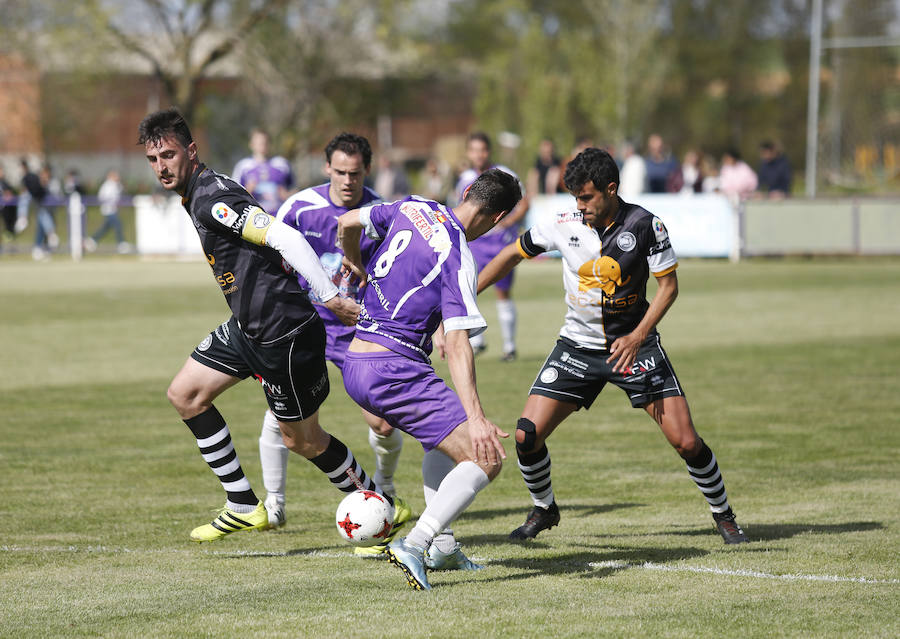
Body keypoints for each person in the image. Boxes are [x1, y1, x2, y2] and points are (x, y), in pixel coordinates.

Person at [138, 107, 398, 543]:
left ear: (191, 151)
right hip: (247, 328)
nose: (162, 167)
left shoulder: (212, 198)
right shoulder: (200, 190)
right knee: (185, 395)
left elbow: (285, 236)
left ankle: (377, 510)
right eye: (153, 159)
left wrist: (330, 298)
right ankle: (242, 504)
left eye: (168, 154)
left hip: (285, 334)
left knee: (304, 440)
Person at [477, 147, 749, 546]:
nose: (580, 206)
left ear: (610, 189)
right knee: (526, 435)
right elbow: (512, 254)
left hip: (634, 348)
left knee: (686, 441)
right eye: (574, 197)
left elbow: (668, 289)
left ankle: (723, 515)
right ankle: (544, 508)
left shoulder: (645, 225)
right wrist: (467, 295)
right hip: (577, 347)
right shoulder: (563, 224)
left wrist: (638, 335)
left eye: (586, 197)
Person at [337, 168, 522, 590]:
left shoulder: (414, 205)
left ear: (467, 191)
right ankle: (416, 543)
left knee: (440, 439)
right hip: (393, 369)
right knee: (485, 457)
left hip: (357, 360)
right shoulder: (459, 254)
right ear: (499, 218)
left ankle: (442, 546)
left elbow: (345, 223)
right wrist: (477, 417)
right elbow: (459, 345)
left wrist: (355, 262)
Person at [258, 132, 412, 556]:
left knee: (382, 422)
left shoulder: (380, 213)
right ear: (327, 168)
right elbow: (269, 253)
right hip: (305, 325)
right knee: (281, 414)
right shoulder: (299, 207)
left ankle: (385, 485)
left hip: (358, 330)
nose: (347, 180)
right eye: (340, 172)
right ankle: (275, 504)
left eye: (356, 173)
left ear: (368, 169)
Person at [453, 132, 528, 361]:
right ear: (468, 152)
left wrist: (507, 222)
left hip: (499, 242)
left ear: (489, 151)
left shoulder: (504, 174)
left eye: (482, 150)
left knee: (502, 291)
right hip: (474, 242)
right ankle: (476, 342)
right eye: (474, 150)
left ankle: (509, 346)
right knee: (468, 288)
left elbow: (525, 202)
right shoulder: (464, 178)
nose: (478, 155)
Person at [231, 128, 294, 215]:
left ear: (270, 144)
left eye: (265, 142)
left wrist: (286, 195)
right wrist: (248, 191)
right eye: (259, 143)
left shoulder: (281, 164)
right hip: (254, 217)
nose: (262, 145)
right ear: (251, 144)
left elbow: (294, 191)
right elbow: (233, 196)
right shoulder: (243, 166)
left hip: (279, 216)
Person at [86, 169, 129, 253]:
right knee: (118, 225)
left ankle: (92, 241)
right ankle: (121, 243)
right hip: (108, 210)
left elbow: (120, 194)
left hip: (114, 209)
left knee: (105, 228)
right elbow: (101, 197)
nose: (117, 177)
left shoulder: (117, 185)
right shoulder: (106, 185)